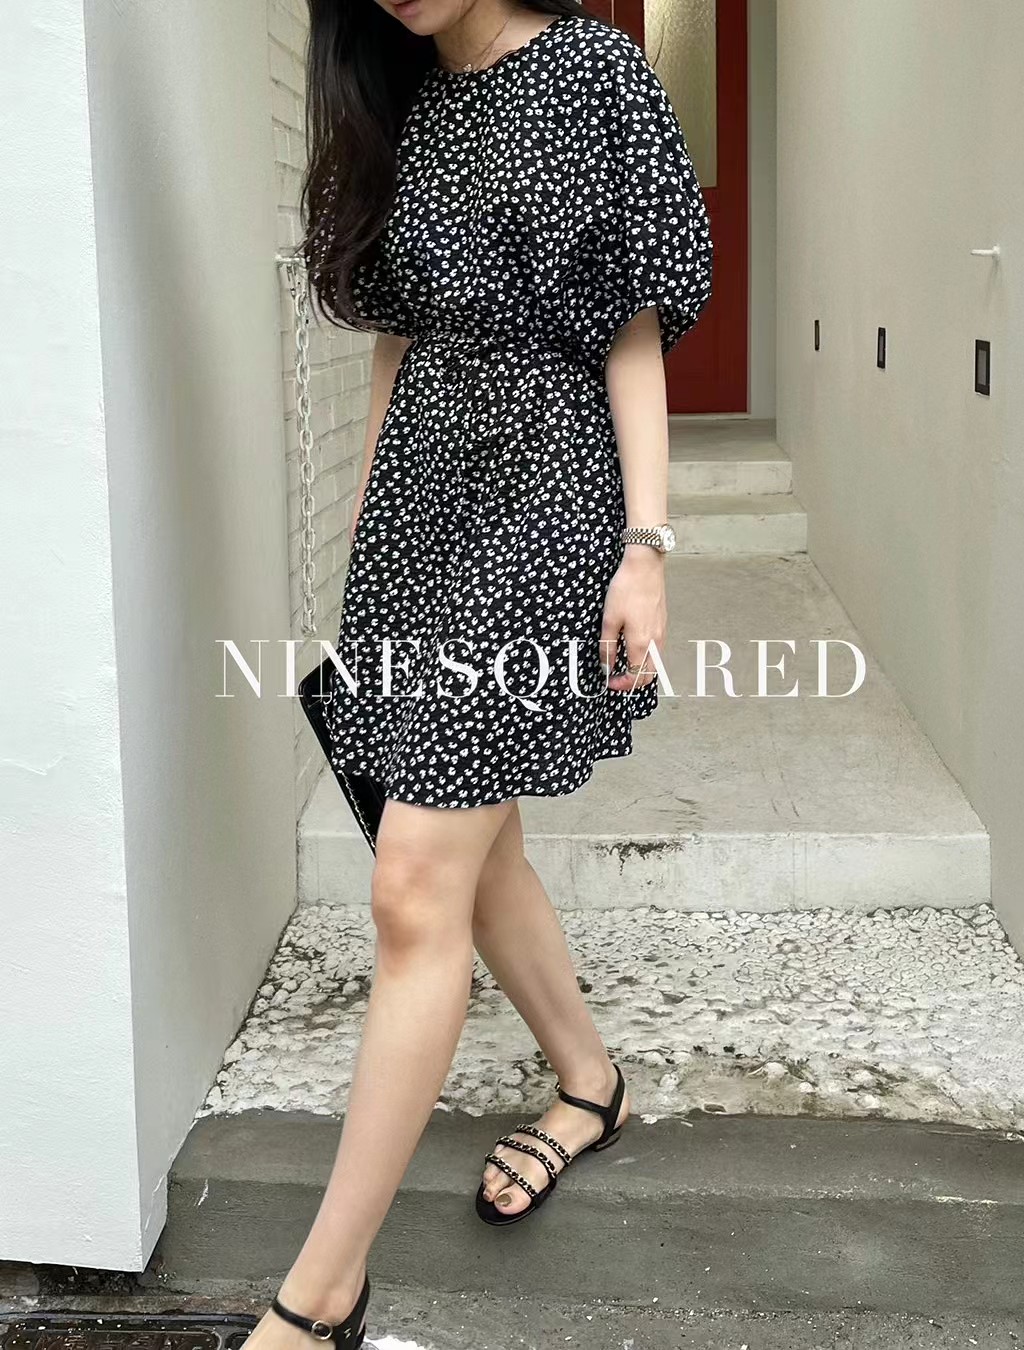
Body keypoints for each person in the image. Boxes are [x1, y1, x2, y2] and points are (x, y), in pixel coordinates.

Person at [249, 1, 712, 1344]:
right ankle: (589, 1080)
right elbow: (398, 339)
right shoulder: (400, 103)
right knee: (472, 844)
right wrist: (368, 529)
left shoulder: (596, 74)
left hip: (546, 504)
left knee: (413, 879)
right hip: (421, 510)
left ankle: (319, 1297)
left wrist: (646, 545)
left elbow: (631, 330)